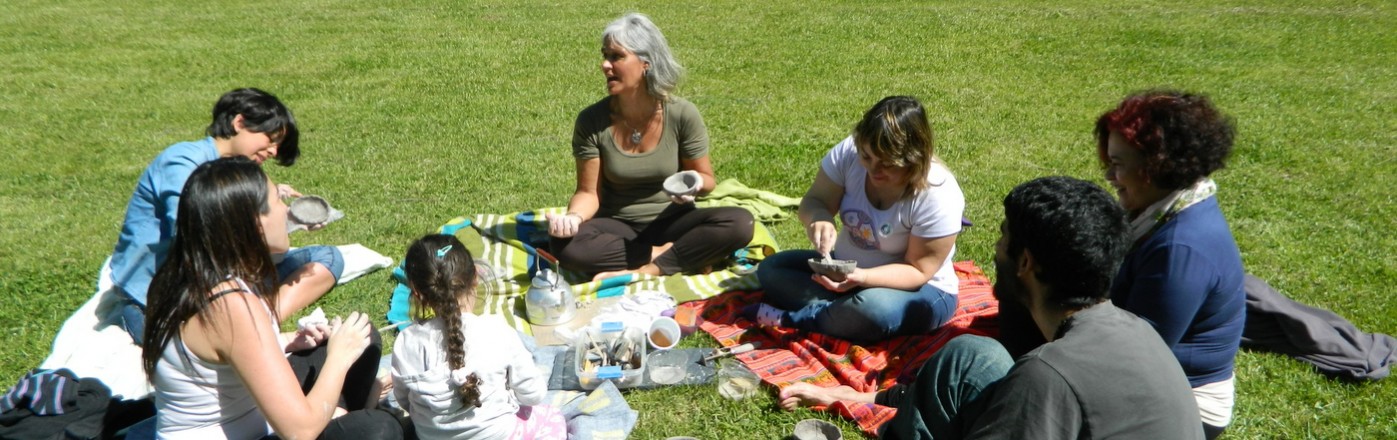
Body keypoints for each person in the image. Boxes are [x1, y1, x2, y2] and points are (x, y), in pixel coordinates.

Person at [779, 177, 1203, 439]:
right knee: (971, 355)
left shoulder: (1046, 376)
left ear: (1025, 263)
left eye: (1003, 237)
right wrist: (857, 396)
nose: (995, 248)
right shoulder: (1133, 328)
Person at [141, 158, 400, 439]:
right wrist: (340, 356)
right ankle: (347, 418)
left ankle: (343, 418)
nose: (286, 210)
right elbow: (299, 432)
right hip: (256, 430)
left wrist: (286, 340)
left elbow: (220, 354)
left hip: (248, 412)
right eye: (278, 201)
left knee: (364, 337)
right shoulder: (230, 306)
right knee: (378, 430)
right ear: (254, 223)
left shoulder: (186, 274)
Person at [109, 87, 343, 343]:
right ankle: (245, 330)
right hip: (164, 295)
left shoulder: (236, 171)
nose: (274, 151)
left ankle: (259, 320)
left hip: (222, 279)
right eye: (270, 139)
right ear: (239, 123)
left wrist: (288, 221)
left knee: (327, 257)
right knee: (170, 341)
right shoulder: (182, 161)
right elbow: (196, 235)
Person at [546, 13, 754, 281]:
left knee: (740, 223)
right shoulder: (592, 121)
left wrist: (694, 184)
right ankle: (672, 256)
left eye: (616, 57)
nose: (605, 65)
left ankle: (647, 270)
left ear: (646, 63)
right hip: (617, 225)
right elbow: (588, 192)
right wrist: (573, 218)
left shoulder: (681, 114)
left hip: (674, 220)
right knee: (564, 245)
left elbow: (707, 180)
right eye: (605, 56)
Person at [749, 96, 963, 343]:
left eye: (887, 164)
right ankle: (842, 314)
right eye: (867, 157)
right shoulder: (849, 153)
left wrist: (863, 277)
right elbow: (815, 200)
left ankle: (799, 319)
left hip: (918, 290)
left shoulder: (938, 193)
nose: (873, 170)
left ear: (913, 159)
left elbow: (919, 270)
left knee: (874, 310)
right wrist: (819, 218)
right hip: (847, 272)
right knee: (772, 269)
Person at [1096, 90, 1246, 438]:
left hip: (1183, 408)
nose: (1109, 177)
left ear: (1157, 167)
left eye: (1118, 164)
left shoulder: (1180, 248)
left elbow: (1135, 355)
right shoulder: (1162, 213)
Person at [391, 234, 561, 440]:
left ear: (417, 292)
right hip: (499, 435)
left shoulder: (405, 342)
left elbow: (404, 400)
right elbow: (533, 395)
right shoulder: (496, 330)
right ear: (476, 278)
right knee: (553, 418)